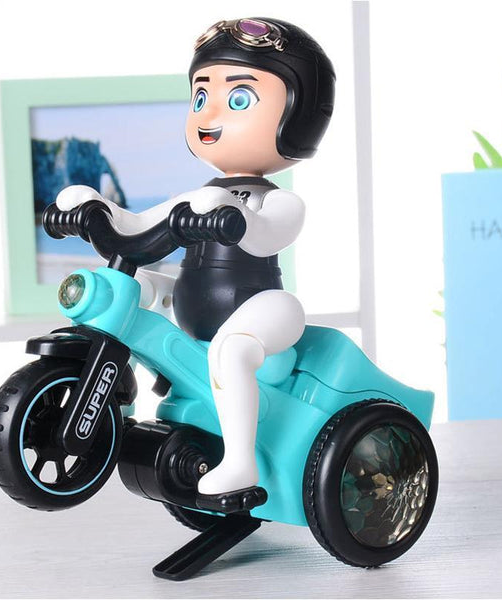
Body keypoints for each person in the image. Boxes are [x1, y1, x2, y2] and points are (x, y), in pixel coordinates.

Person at [57, 17, 335, 509]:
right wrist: (92, 208)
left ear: (297, 117)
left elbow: (269, 230)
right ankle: (114, 390)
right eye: (201, 96)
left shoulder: (279, 201)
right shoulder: (200, 195)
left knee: (231, 350)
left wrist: (234, 218)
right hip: (194, 307)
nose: (210, 114)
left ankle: (241, 462)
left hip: (264, 311)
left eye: (239, 99)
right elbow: (137, 222)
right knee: (134, 288)